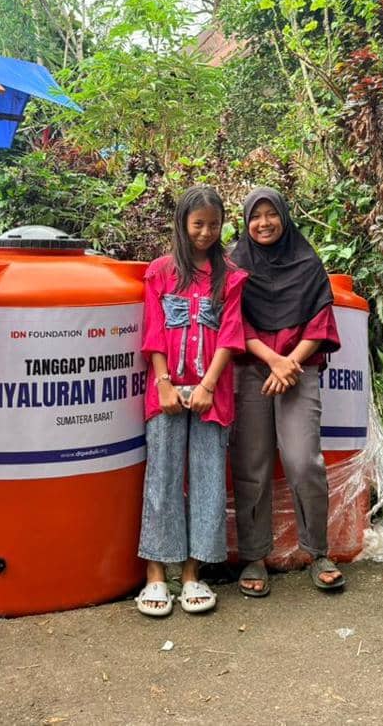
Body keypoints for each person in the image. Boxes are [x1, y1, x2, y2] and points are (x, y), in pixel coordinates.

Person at [136, 186, 247, 617]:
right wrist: (164, 382)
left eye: (213, 224)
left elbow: (232, 334)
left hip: (211, 393)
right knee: (162, 476)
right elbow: (153, 331)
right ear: (183, 223)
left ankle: (192, 572)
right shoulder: (161, 272)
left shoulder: (231, 277)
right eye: (197, 223)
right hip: (164, 390)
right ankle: (155, 573)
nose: (205, 232)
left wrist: (207, 385)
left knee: (207, 478)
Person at [229, 188, 344, 596]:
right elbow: (232, 322)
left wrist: (290, 362)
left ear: (284, 216)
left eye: (270, 214)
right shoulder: (235, 264)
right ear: (245, 222)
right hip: (251, 371)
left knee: (303, 461)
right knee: (251, 464)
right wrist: (273, 360)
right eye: (255, 216)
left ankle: (318, 550)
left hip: (299, 370)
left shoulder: (308, 261)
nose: (263, 223)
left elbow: (320, 319)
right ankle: (254, 555)